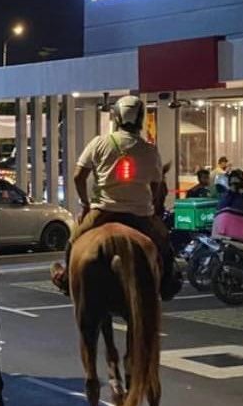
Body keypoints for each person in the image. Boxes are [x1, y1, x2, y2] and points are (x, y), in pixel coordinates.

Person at [54, 94, 171, 293]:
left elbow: (78, 176)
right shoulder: (149, 150)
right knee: (164, 243)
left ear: (116, 118)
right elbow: (157, 185)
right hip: (140, 214)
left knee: (74, 241)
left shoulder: (99, 143)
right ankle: (168, 282)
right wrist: (149, 205)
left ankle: (66, 278)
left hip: (103, 211)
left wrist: (85, 203)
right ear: (141, 119)